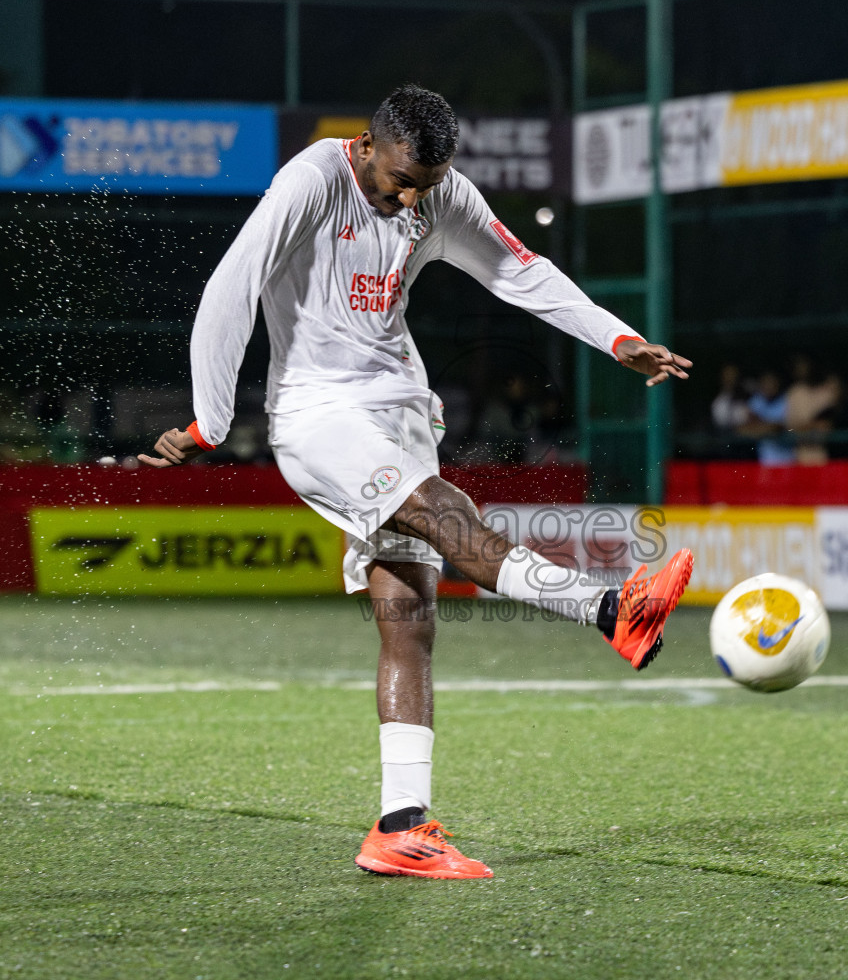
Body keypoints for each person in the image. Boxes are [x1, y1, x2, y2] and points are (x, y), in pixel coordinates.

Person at [137, 85, 695, 880]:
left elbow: (519, 271)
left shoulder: (439, 193)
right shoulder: (310, 183)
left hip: (399, 404)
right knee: (446, 513)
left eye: (425, 186)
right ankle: (611, 607)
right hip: (318, 413)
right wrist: (209, 421)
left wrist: (617, 338)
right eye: (399, 180)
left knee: (409, 614)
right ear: (366, 145)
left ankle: (402, 826)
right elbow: (233, 285)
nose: (410, 200)